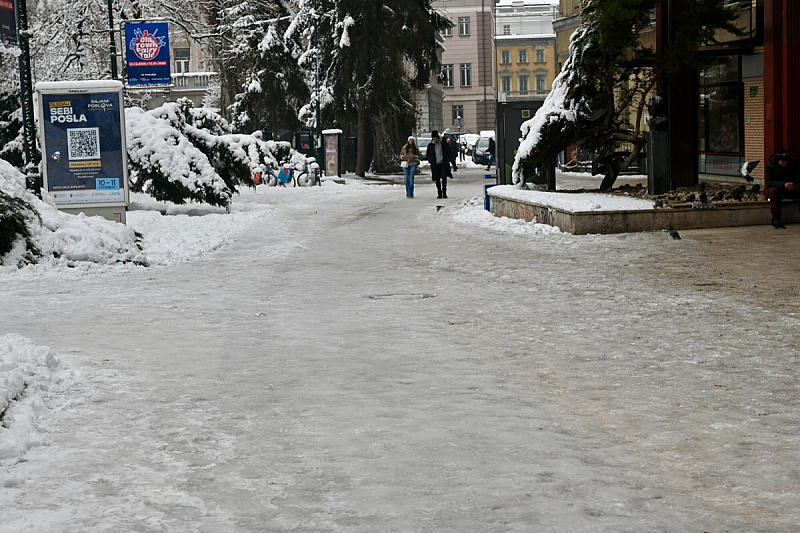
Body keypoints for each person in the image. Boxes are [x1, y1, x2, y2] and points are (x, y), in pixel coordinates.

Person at [765, 149, 800, 228]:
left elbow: (797, 175)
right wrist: (783, 184)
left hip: (792, 187)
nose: (785, 163)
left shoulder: (793, 162)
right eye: (783, 161)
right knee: (774, 191)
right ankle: (776, 218)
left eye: (786, 161)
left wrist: (796, 184)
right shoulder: (770, 165)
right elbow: (770, 181)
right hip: (779, 188)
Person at [426, 130, 451, 199]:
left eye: (436, 138)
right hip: (435, 164)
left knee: (444, 178)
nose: (435, 140)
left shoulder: (443, 144)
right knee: (437, 179)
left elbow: (448, 152)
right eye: (433, 139)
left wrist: (447, 159)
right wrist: (430, 160)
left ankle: (444, 192)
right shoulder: (431, 145)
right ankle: (439, 192)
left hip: (443, 163)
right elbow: (428, 154)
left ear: (438, 137)